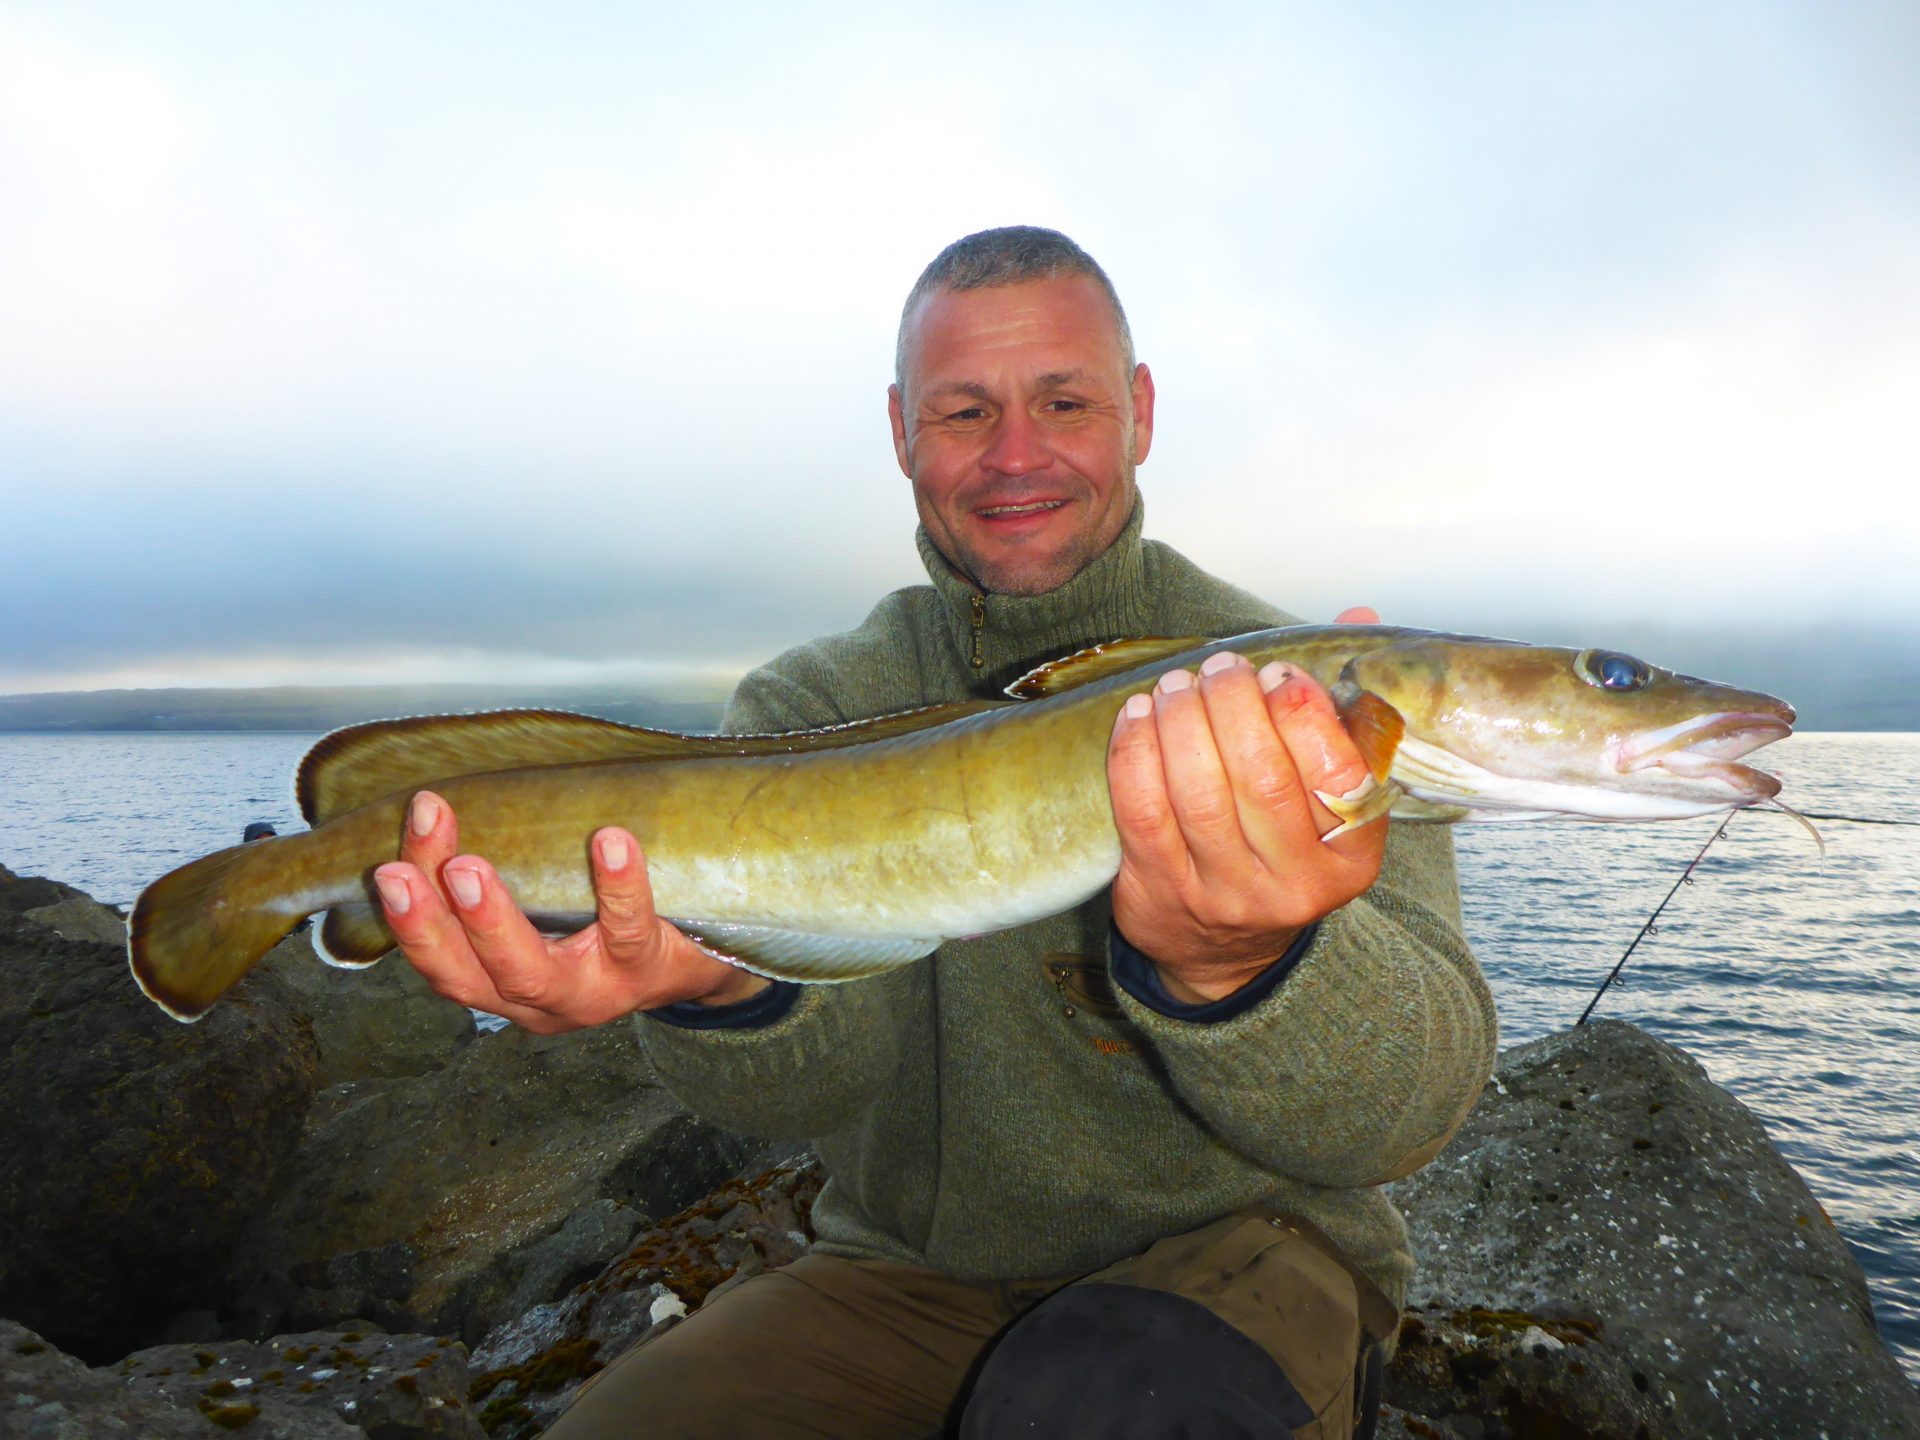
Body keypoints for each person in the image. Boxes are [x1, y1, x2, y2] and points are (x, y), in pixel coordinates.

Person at [369, 227, 1497, 1438]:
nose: (1016, 455)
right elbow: (816, 1078)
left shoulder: (1291, 697)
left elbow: (1405, 1115)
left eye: (1063, 400)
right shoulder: (808, 708)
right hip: (906, 1277)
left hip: (1250, 1271)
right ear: (902, 429)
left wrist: (1246, 968)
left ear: (1141, 411)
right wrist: (714, 981)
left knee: (1098, 1406)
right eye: (964, 414)